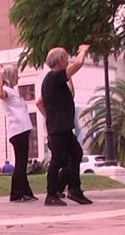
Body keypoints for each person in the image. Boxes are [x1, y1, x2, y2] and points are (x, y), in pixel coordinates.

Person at [37, 44, 92, 207]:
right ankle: (51, 194)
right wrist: (82, 51)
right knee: (58, 160)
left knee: (76, 154)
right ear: (59, 60)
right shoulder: (53, 77)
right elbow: (78, 65)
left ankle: (74, 189)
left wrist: (51, 117)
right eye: (66, 57)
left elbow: (68, 93)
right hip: (58, 128)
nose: (68, 60)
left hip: (63, 127)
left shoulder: (56, 79)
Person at [0, 63, 36, 202]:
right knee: (21, 163)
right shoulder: (7, 90)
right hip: (18, 130)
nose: (18, 77)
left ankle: (24, 192)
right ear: (11, 76)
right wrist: (0, 74)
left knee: (21, 162)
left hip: (22, 129)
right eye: (16, 75)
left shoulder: (13, 91)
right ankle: (17, 193)